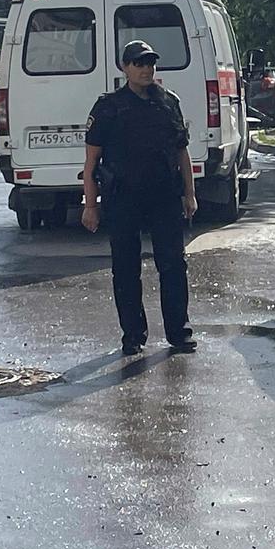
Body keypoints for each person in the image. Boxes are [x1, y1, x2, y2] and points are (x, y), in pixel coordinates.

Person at [81, 40, 197, 356]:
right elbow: (91, 162)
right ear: (125, 68)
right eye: (138, 63)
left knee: (173, 265)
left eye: (149, 63)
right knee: (126, 268)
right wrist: (90, 205)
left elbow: (181, 152)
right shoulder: (108, 107)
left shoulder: (168, 102)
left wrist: (190, 193)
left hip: (163, 196)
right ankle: (133, 335)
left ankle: (179, 332)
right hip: (123, 199)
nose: (145, 69)